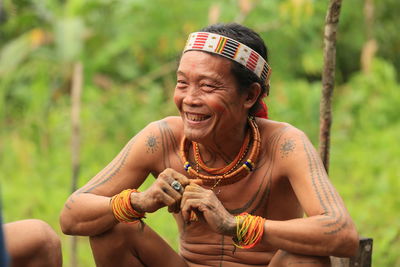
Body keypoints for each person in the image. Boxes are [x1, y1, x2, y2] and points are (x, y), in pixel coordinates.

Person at [60, 23, 359, 266]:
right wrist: (140, 201)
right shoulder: (161, 138)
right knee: (113, 227)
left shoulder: (284, 144)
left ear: (250, 96)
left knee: (303, 258)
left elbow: (342, 233)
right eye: (182, 83)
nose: (189, 99)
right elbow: (72, 215)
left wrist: (234, 225)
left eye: (207, 85)